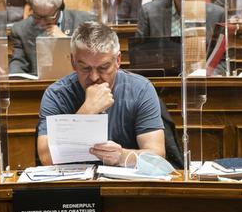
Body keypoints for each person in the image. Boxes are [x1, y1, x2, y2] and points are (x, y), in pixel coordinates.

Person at [36, 21, 166, 166]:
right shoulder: (56, 95)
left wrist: (122, 156)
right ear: (73, 62)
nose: (94, 77)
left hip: (124, 184)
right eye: (85, 68)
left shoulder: (141, 89)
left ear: (118, 60)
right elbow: (46, 158)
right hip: (74, 185)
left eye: (103, 67)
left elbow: (157, 156)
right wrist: (87, 112)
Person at [9, 0, 98, 75]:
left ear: (60, 8)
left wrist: (66, 41)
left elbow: (94, 56)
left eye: (47, 17)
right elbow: (18, 63)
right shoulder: (21, 30)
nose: (42, 22)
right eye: (37, 16)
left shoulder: (85, 22)